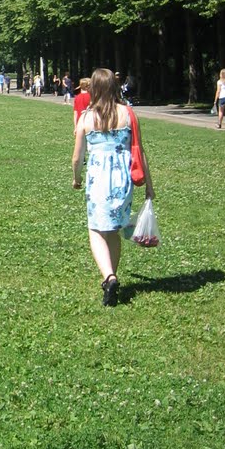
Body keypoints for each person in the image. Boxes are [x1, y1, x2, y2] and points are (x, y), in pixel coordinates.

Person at [72, 68, 154, 307]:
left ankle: (109, 277)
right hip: (122, 179)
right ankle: (111, 278)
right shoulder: (128, 114)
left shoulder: (87, 117)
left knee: (96, 230)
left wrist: (76, 178)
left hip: (98, 179)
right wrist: (149, 185)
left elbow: (77, 157)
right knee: (114, 230)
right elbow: (140, 151)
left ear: (94, 89)